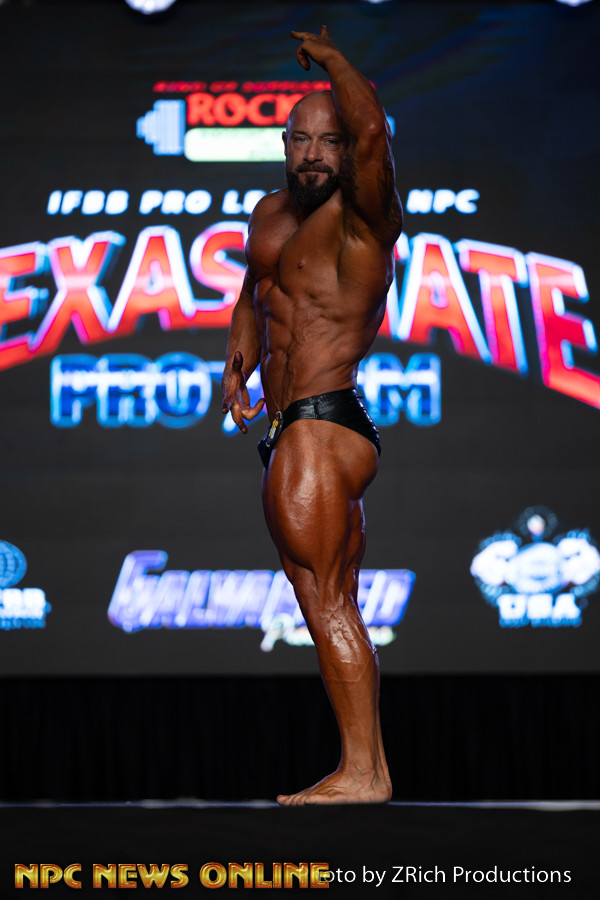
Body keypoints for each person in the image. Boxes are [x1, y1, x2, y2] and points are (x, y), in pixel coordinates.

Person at [221, 25, 402, 805]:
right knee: (324, 601)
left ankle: (364, 773)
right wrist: (238, 359)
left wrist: (332, 61)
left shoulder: (366, 216)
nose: (317, 154)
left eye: (332, 141)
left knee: (326, 601)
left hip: (323, 423)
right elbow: (255, 292)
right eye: (304, 140)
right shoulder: (269, 214)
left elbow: (372, 132)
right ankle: (364, 768)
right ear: (286, 142)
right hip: (291, 426)